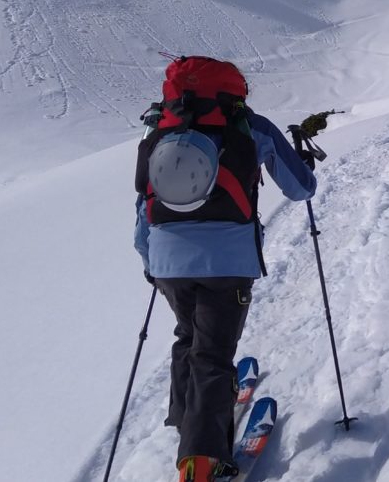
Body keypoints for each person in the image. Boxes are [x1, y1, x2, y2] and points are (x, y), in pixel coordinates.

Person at [133, 57, 316, 482]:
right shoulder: (249, 125)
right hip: (227, 261)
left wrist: (149, 258)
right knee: (213, 354)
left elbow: (144, 199)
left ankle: (188, 418)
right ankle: (200, 464)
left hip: (166, 259)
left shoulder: (158, 127)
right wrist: (305, 163)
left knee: (189, 335)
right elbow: (300, 188)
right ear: (233, 90)